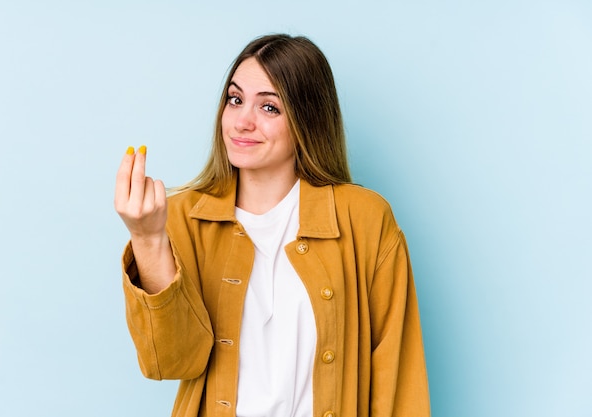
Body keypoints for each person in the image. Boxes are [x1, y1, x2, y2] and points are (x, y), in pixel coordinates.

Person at [115, 34, 430, 417]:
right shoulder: (181, 218)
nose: (242, 122)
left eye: (269, 107)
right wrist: (147, 239)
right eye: (235, 100)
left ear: (306, 120)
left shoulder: (364, 220)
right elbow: (172, 362)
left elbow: (399, 381)